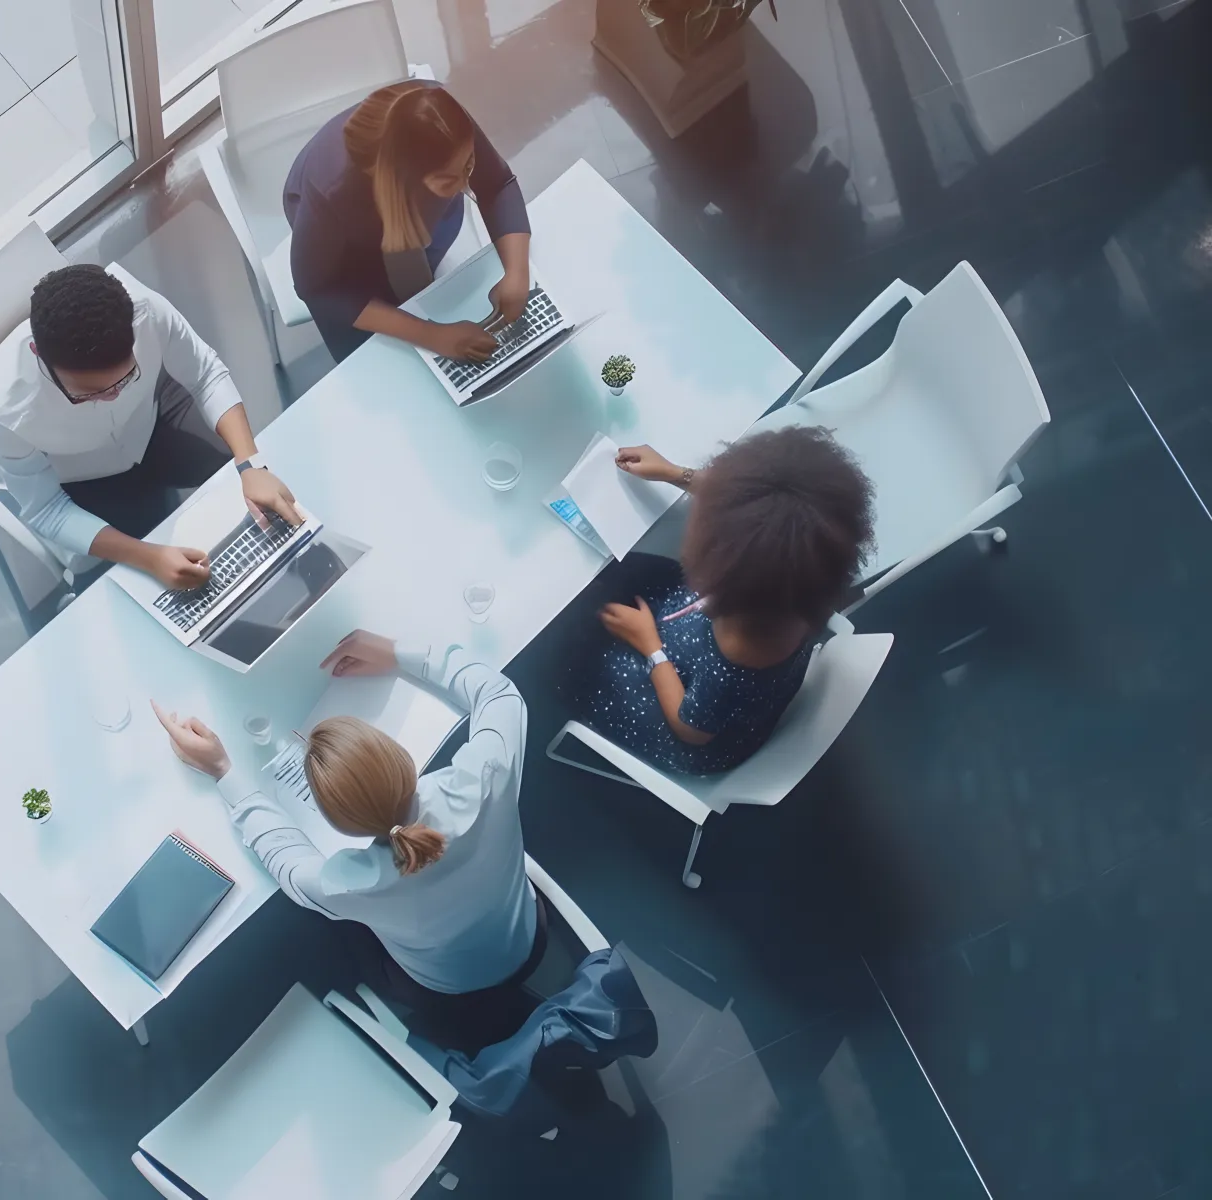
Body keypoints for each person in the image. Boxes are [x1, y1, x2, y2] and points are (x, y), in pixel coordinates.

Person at [152, 630, 543, 1036]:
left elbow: (286, 862)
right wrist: (398, 652)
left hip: (446, 993)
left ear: (336, 822)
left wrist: (222, 770)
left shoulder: (349, 886)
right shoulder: (487, 776)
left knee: (328, 930)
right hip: (529, 940)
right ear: (400, 757)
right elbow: (498, 694)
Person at [0, 263, 299, 588]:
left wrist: (250, 463)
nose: (113, 397)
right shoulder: (1, 406)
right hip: (91, 479)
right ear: (37, 354)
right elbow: (46, 509)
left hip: (155, 416)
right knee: (150, 572)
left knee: (253, 487)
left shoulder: (145, 310)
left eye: (126, 378)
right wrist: (149, 557)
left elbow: (205, 375)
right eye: (89, 393)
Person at [573, 426, 875, 775]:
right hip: (706, 655)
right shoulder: (808, 571)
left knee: (588, 657)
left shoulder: (741, 653)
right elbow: (766, 509)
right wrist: (675, 473)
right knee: (639, 579)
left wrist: (651, 648)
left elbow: (690, 729)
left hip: (689, 720)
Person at [284, 80, 532, 363]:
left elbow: (497, 184)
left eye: (468, 165)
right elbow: (318, 289)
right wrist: (431, 335)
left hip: (407, 210)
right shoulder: (330, 193)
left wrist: (517, 273)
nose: (466, 186)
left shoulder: (442, 119)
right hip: (349, 258)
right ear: (406, 186)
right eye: (449, 181)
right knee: (385, 361)